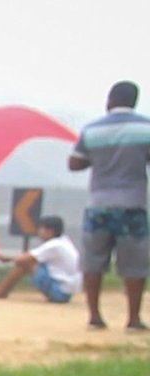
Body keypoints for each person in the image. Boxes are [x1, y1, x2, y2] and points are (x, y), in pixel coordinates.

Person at [69, 80, 150, 331]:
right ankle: (133, 319)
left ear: (110, 100)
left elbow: (74, 163)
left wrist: (99, 159)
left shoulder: (92, 129)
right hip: (132, 204)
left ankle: (94, 317)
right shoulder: (146, 128)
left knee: (93, 261)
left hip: (98, 205)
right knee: (134, 266)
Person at [0, 216, 80, 302]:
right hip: (66, 292)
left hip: (59, 292)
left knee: (25, 264)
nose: (39, 232)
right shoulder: (64, 241)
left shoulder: (53, 245)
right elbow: (32, 256)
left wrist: (7, 259)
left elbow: (23, 260)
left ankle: (1, 291)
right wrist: (9, 258)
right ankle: (1, 290)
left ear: (50, 231)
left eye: (41, 229)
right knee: (32, 261)